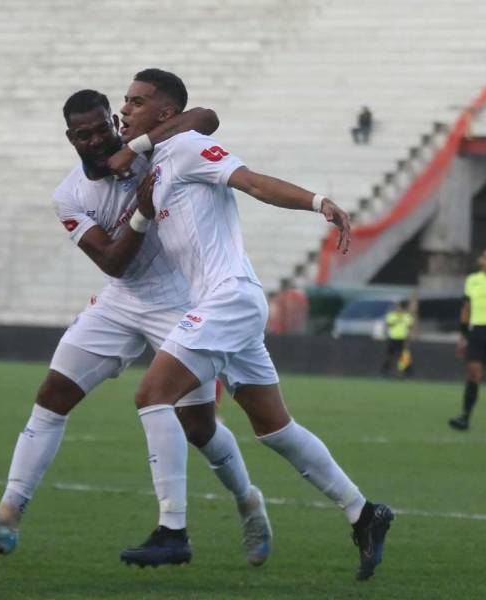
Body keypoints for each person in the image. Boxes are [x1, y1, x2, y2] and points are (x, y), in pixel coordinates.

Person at [0, 90, 272, 569]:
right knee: (52, 395)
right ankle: (8, 515)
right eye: (85, 134)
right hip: (121, 301)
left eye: (104, 128)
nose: (97, 140)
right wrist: (141, 212)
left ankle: (248, 502)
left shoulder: (151, 150)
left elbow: (205, 116)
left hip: (181, 303)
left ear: (115, 124)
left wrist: (134, 148)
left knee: (199, 426)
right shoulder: (69, 195)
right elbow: (114, 263)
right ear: (70, 138)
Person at [112, 68, 393, 580]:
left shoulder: (189, 146)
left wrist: (317, 202)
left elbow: (254, 183)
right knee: (275, 429)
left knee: (151, 395)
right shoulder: (155, 165)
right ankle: (363, 512)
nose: (126, 108)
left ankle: (172, 530)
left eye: (137, 101)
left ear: (165, 114)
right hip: (225, 306)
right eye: (125, 100)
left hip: (228, 300)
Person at [448, 249, 486, 431]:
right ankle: (465, 417)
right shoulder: (472, 280)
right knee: (473, 373)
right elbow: (466, 308)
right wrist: (462, 336)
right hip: (477, 331)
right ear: (482, 260)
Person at [381, 300, 415, 376]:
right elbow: (388, 324)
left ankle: (405, 371)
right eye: (397, 307)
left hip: (403, 338)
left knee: (404, 355)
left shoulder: (407, 316)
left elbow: (410, 327)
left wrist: (410, 337)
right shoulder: (391, 315)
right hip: (393, 337)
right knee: (389, 355)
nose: (399, 308)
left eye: (400, 307)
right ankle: (385, 370)